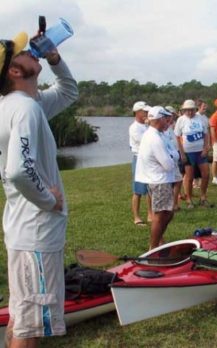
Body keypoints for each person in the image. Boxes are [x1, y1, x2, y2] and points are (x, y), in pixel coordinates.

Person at [0, 32, 78, 347]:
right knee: (29, 327)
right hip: (35, 232)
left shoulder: (21, 103)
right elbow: (18, 170)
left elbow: (68, 91)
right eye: (23, 52)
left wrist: (54, 59)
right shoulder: (26, 109)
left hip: (25, 232)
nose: (32, 52)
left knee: (23, 313)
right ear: (14, 71)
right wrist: (49, 200)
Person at [136, 106, 178, 249]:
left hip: (161, 179)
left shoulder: (159, 134)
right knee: (160, 216)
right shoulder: (154, 138)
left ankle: (159, 241)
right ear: (159, 119)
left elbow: (174, 152)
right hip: (160, 180)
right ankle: (153, 248)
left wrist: (173, 156)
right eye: (166, 118)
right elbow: (168, 164)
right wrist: (174, 157)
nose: (168, 121)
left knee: (168, 213)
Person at [175, 99, 211, 208]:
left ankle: (203, 197)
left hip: (200, 151)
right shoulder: (181, 120)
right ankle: (189, 199)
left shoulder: (201, 118)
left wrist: (206, 148)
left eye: (192, 110)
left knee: (206, 174)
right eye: (187, 110)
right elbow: (177, 136)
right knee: (189, 177)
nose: (190, 112)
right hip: (188, 152)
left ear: (195, 109)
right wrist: (182, 153)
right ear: (184, 110)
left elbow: (206, 134)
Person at [129, 100, 153, 225]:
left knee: (149, 188)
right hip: (139, 159)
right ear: (137, 112)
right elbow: (144, 142)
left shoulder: (146, 125)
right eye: (144, 111)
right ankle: (136, 217)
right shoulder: (134, 127)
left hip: (148, 159)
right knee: (138, 190)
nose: (146, 113)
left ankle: (150, 213)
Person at [164, 106, 183, 212]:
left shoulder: (172, 127)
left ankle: (174, 203)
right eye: (170, 115)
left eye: (172, 115)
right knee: (169, 182)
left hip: (175, 157)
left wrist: (181, 154)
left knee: (178, 180)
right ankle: (169, 204)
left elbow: (177, 140)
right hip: (167, 159)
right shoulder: (162, 128)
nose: (172, 117)